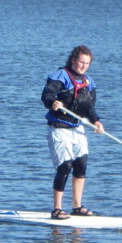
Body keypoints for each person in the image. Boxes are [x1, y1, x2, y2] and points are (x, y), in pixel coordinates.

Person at [41, 45, 104, 220]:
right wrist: (53, 102)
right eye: (81, 62)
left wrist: (97, 122)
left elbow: (90, 109)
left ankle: (77, 206)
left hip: (78, 129)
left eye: (87, 63)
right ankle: (57, 209)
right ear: (73, 60)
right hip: (59, 129)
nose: (84, 66)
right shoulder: (60, 76)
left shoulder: (89, 82)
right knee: (64, 166)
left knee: (81, 164)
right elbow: (47, 95)